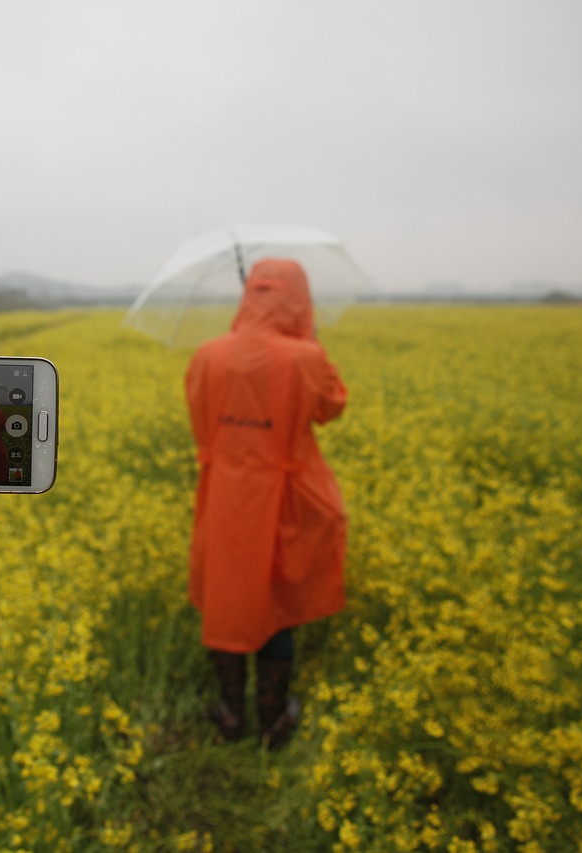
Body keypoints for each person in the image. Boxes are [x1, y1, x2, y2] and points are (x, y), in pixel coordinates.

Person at [185, 257, 349, 749]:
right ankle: (274, 718)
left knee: (228, 595)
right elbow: (332, 407)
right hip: (286, 496)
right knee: (276, 600)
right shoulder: (304, 356)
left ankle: (231, 712)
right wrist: (310, 341)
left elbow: (200, 419)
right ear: (299, 300)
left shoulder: (208, 355)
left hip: (225, 494)